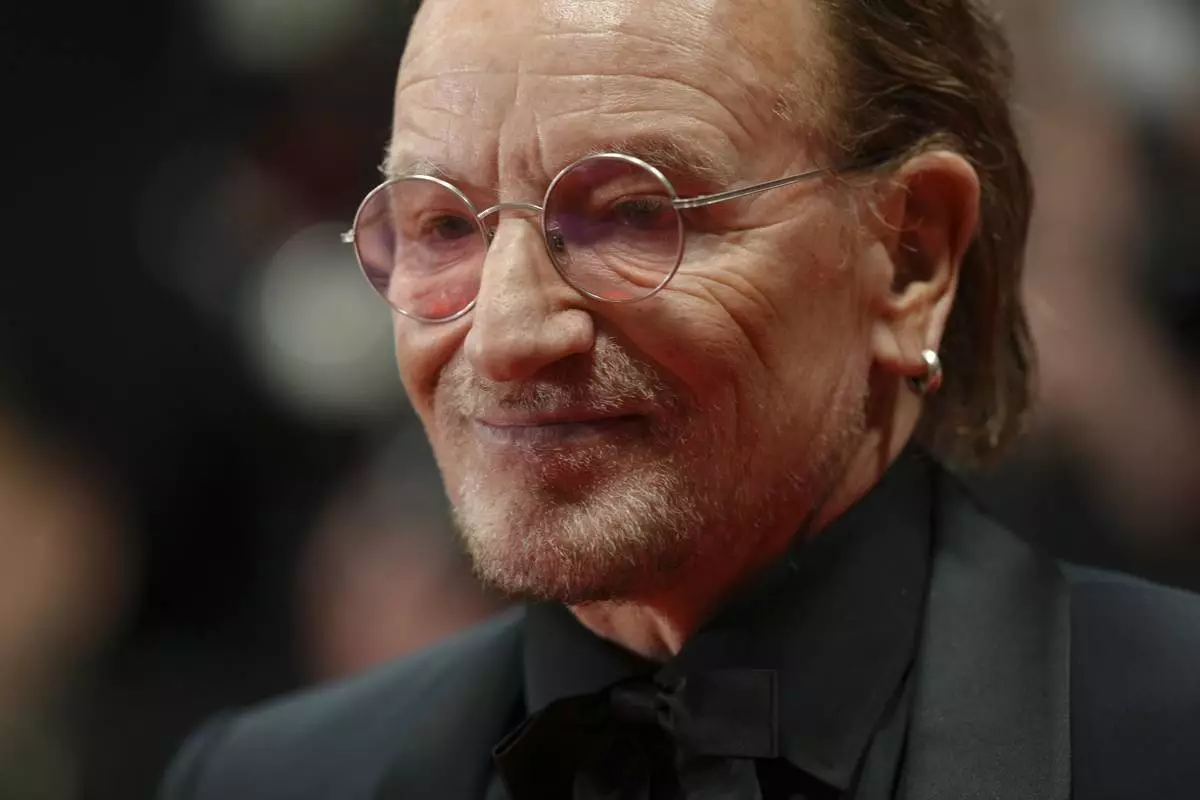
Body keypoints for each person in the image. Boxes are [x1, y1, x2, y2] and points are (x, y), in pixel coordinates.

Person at [159, 0, 1200, 797]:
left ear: (910, 253)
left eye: (632, 213)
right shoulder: (269, 778)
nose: (509, 332)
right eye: (440, 227)